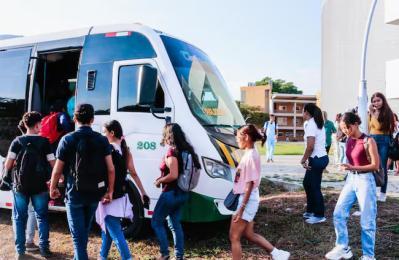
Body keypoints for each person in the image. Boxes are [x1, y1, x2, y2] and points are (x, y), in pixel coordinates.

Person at [49, 103, 115, 260]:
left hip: (74, 194)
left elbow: (57, 169)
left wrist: (53, 187)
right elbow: (111, 169)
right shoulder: (102, 140)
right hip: (94, 194)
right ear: (92, 119)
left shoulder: (67, 139)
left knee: (78, 239)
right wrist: (110, 191)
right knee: (83, 233)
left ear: (74, 118)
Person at [230, 124, 290, 260]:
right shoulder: (250, 152)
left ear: (246, 137)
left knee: (234, 237)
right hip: (249, 198)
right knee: (249, 234)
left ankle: (277, 254)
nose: (237, 140)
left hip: (246, 199)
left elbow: (249, 184)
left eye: (239, 137)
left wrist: (241, 209)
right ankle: (278, 254)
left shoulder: (250, 156)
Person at [325, 112, 379, 260]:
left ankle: (368, 255)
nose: (345, 131)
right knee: (338, 213)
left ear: (355, 123)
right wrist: (346, 167)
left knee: (367, 220)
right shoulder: (349, 140)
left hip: (365, 181)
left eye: (347, 127)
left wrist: (352, 168)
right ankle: (343, 247)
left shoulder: (368, 141)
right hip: (351, 180)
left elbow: (375, 166)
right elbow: (352, 162)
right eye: (342, 128)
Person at [4, 112, 55, 258]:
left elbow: (8, 164)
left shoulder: (17, 141)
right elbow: (52, 163)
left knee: (19, 218)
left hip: (20, 186)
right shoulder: (45, 142)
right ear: (37, 124)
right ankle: (44, 248)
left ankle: (20, 251)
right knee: (42, 217)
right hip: (40, 186)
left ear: (25, 125)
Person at [96, 120, 149, 260]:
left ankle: (127, 258)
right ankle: (102, 256)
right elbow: (134, 173)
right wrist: (143, 192)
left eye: (104, 132)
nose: (103, 135)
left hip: (109, 195)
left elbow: (106, 172)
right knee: (108, 230)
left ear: (112, 133)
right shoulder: (126, 150)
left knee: (115, 231)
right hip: (121, 196)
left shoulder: (108, 150)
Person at [151, 123, 200, 260]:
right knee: (174, 224)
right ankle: (179, 256)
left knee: (156, 222)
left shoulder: (172, 152)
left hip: (170, 193)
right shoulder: (187, 150)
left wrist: (159, 181)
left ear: (169, 136)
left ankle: (164, 254)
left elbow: (173, 175)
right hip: (182, 194)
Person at [301, 103, 329, 224]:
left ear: (306, 112)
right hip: (319, 158)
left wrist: (303, 159)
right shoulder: (316, 123)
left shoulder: (311, 124)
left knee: (314, 186)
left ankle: (319, 215)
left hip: (317, 159)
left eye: (302, 111)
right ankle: (311, 210)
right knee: (307, 183)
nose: (302, 113)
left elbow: (310, 146)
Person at [368, 92, 395, 202]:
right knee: (372, 165)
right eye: (374, 101)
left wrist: (371, 112)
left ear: (383, 100)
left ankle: (383, 192)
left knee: (382, 166)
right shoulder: (372, 113)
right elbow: (370, 126)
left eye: (378, 100)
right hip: (372, 139)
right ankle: (373, 190)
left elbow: (378, 126)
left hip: (383, 139)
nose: (376, 103)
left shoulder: (388, 113)